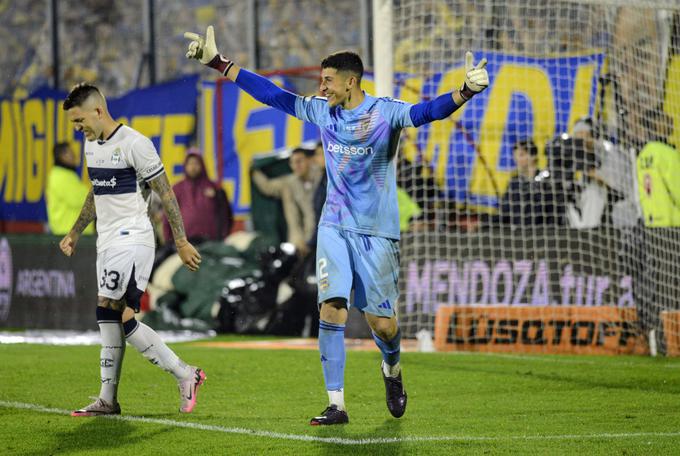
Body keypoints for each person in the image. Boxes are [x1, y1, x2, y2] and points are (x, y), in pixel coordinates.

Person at [184, 26, 489, 424]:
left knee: (382, 324)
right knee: (332, 309)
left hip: (377, 233)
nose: (322, 87)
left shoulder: (385, 112)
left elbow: (427, 112)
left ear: (351, 81)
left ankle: (392, 369)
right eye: (321, 81)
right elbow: (274, 96)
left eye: (328, 80)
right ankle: (336, 403)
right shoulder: (322, 110)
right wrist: (220, 63)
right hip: (334, 226)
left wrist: (464, 91)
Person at [59, 83, 206, 416]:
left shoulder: (135, 144)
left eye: (79, 120)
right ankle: (123, 394)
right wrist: (75, 231)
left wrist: (180, 241)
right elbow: (97, 191)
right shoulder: (91, 144)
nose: (77, 128)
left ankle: (175, 376)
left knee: (110, 307)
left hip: (134, 236)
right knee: (114, 315)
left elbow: (166, 193)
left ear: (99, 110)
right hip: (107, 240)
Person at [252, 146, 322, 256]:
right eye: (292, 163)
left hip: (321, 238)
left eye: (299, 161)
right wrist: (254, 170)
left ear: (309, 160)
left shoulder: (321, 178)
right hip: (299, 243)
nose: (296, 166)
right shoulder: (289, 183)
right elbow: (267, 187)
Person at [163, 150, 233, 245]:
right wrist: (169, 241)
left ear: (202, 165)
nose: (193, 167)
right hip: (185, 244)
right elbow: (168, 215)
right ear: (185, 166)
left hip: (211, 242)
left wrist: (222, 237)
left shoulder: (214, 188)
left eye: (196, 163)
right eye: (190, 164)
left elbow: (225, 214)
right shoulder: (177, 189)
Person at [46, 142, 95, 235]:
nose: (74, 155)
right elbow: (82, 199)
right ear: (62, 156)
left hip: (72, 233)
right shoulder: (61, 176)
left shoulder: (66, 175)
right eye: (70, 153)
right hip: (69, 234)